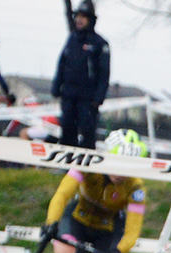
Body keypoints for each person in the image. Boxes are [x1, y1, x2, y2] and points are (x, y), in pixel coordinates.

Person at [52, 1, 110, 149]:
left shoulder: (100, 43)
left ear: (91, 19)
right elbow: (62, 63)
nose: (79, 19)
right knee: (67, 129)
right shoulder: (71, 39)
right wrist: (56, 86)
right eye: (77, 16)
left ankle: (86, 170)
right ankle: (67, 167)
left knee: (87, 132)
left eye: (84, 16)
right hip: (69, 95)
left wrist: (99, 97)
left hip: (88, 99)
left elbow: (104, 73)